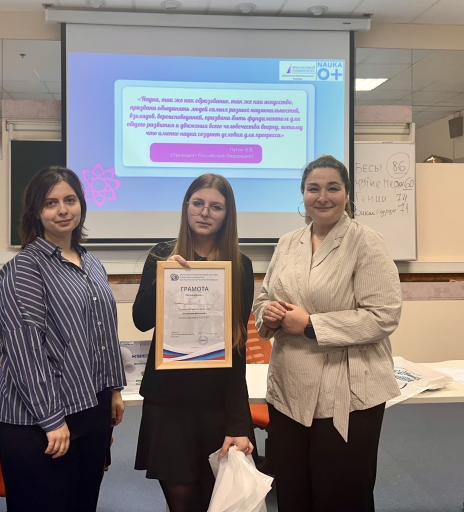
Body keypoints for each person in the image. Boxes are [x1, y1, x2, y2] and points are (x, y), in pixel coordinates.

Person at [253, 154, 402, 512]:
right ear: (302, 194)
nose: (322, 197)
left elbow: (383, 316)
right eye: (313, 189)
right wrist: (268, 313)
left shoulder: (366, 242)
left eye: (332, 188)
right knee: (293, 491)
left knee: (341, 494)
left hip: (348, 393)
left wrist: (310, 325)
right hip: (289, 389)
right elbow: (264, 297)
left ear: (347, 194)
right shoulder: (287, 242)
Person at [0, 166, 127, 512]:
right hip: (39, 420)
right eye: (50, 203)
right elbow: (25, 352)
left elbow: (104, 333)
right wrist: (51, 419)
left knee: (83, 503)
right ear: (35, 212)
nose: (62, 210)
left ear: (81, 204)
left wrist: (113, 390)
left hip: (90, 407)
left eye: (70, 200)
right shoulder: (25, 269)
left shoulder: (91, 263)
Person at [133, 174, 256, 512]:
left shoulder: (240, 266)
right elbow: (141, 320)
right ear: (186, 207)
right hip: (168, 402)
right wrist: (164, 279)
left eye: (216, 207)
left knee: (216, 497)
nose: (205, 212)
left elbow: (237, 346)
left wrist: (238, 422)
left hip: (215, 402)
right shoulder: (161, 255)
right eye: (198, 203)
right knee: (182, 498)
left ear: (227, 215)